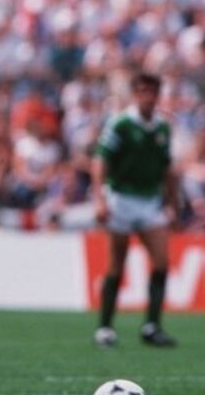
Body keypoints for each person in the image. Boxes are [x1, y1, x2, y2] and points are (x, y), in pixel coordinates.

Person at [92, 72, 178, 348]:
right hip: (121, 199)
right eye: (143, 91)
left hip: (150, 200)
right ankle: (105, 327)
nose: (148, 97)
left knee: (162, 261)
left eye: (153, 92)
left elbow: (166, 168)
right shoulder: (121, 124)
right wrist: (100, 199)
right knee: (117, 263)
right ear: (135, 94)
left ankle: (152, 326)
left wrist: (172, 200)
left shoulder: (163, 128)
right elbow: (100, 162)